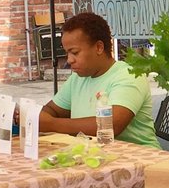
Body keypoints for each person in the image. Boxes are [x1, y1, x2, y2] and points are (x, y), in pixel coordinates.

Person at [38, 12, 159, 148]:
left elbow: (112, 125)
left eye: (75, 52)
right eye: (67, 53)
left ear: (99, 47)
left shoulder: (128, 75)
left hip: (140, 159)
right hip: (93, 156)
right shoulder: (77, 79)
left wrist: (51, 124)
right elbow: (51, 110)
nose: (69, 60)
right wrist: (38, 118)